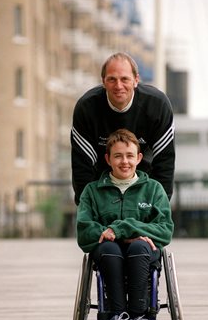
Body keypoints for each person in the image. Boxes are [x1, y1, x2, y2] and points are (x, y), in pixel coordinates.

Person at [76, 129, 174, 320]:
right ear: (108, 159)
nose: (124, 161)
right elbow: (84, 231)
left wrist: (122, 230)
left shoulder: (153, 190)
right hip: (108, 253)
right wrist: (110, 236)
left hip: (143, 253)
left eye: (130, 156)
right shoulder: (92, 191)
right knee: (110, 250)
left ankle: (140, 319)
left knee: (139, 246)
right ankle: (116, 319)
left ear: (138, 158)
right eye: (118, 156)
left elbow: (165, 229)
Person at [71, 52, 175, 206]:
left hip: (143, 180)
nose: (118, 86)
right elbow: (82, 168)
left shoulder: (157, 106)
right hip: (102, 180)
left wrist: (158, 209)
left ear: (136, 80)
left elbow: (164, 163)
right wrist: (89, 212)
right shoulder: (86, 108)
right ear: (103, 82)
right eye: (112, 79)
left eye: (124, 79)